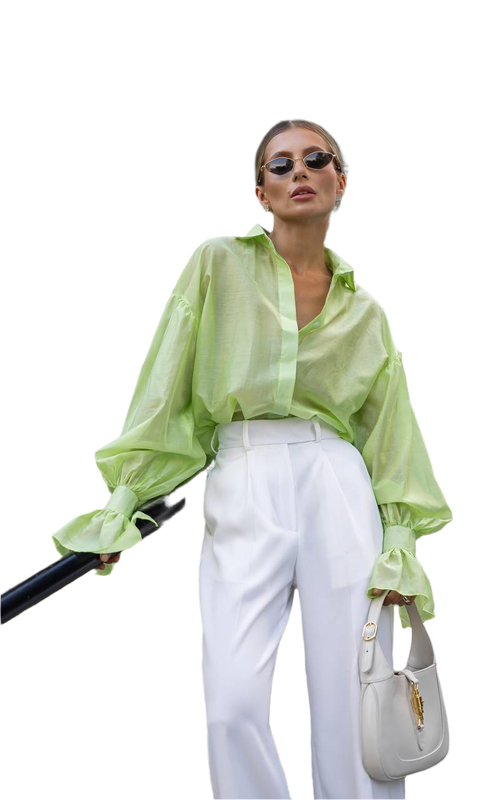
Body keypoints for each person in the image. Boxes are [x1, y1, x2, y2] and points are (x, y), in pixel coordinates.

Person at [49, 115, 454, 798]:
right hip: (242, 471)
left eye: (315, 159)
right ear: (259, 193)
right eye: (280, 164)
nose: (299, 171)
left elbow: (393, 437)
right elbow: (165, 386)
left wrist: (399, 544)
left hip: (338, 482)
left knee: (351, 696)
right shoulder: (215, 262)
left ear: (340, 182)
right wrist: (123, 507)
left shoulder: (368, 312)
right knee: (233, 699)